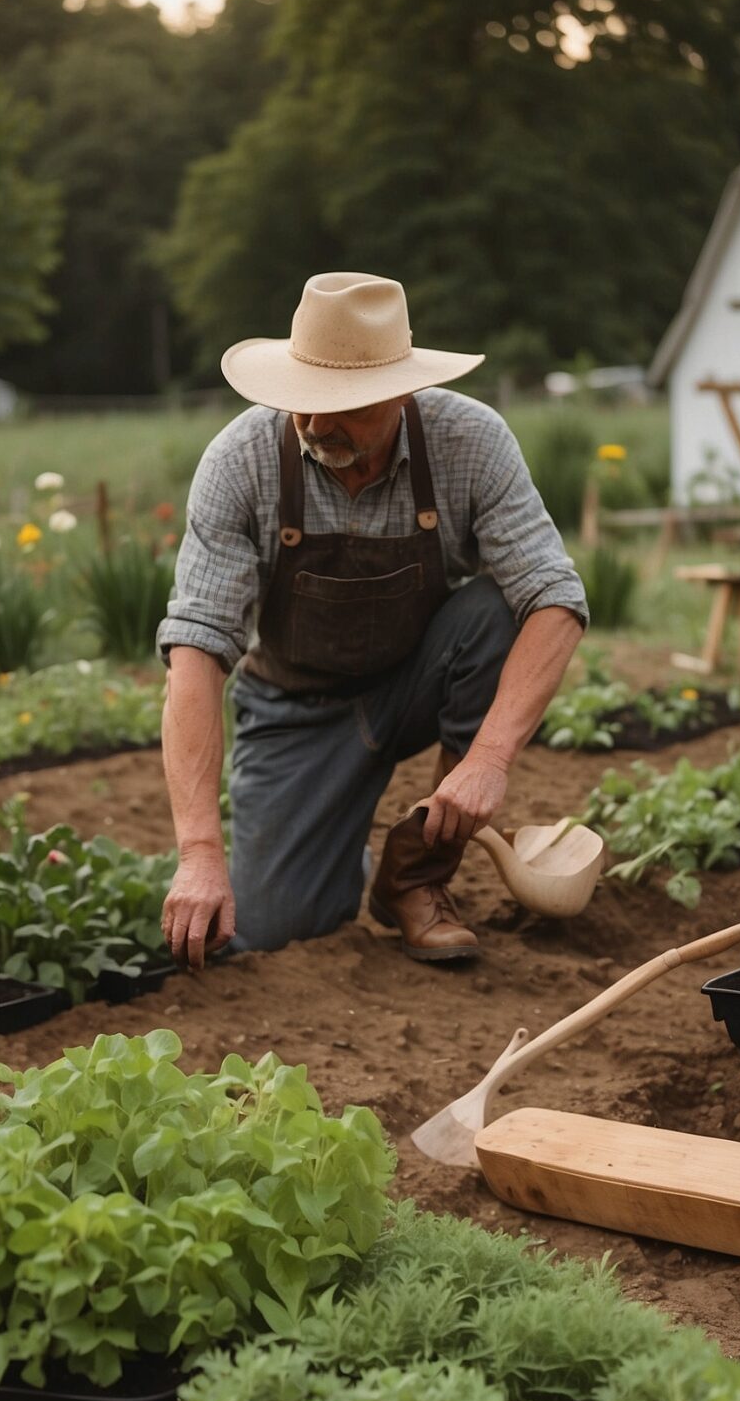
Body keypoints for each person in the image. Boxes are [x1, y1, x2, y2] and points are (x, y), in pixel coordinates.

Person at [157, 270, 587, 968]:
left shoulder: (469, 443)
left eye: (346, 405)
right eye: (305, 401)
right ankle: (334, 854)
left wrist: (487, 761)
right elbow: (195, 650)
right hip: (296, 707)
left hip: (416, 678)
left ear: (401, 390)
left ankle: (415, 877)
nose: (319, 424)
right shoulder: (240, 462)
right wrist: (200, 852)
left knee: (496, 611)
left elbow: (556, 600)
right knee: (274, 929)